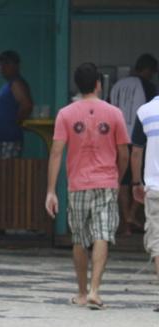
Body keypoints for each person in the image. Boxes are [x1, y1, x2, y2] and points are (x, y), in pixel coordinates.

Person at [45, 63, 130, 310]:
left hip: (78, 185)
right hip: (106, 182)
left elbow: (56, 153)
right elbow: (123, 153)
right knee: (103, 233)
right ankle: (95, 290)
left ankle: (82, 293)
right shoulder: (114, 113)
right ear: (98, 84)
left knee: (80, 238)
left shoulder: (65, 114)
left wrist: (51, 190)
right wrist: (118, 175)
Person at [110, 53, 159, 234]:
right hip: (138, 138)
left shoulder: (117, 85)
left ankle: (126, 222)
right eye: (153, 71)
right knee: (140, 179)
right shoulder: (147, 86)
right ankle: (131, 214)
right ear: (147, 69)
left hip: (117, 138)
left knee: (123, 179)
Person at [130, 90, 159, 311]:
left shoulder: (145, 111)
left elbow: (137, 153)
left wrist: (135, 183)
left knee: (158, 242)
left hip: (155, 188)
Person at [0, 50, 32, 158]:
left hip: (7, 142)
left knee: (5, 173)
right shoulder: (8, 85)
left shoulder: (16, 83)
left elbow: (26, 105)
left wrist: (15, 122)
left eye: (6, 63)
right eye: (0, 64)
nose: (2, 67)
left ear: (16, 65)